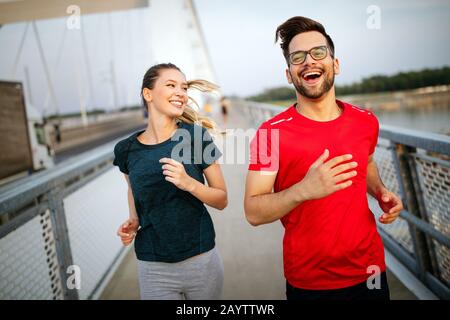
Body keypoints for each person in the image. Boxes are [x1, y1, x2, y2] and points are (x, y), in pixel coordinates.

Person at [244, 16, 403, 300]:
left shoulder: (366, 121)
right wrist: (304, 190)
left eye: (318, 52)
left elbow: (365, 161)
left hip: (370, 271)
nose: (309, 61)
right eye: (298, 57)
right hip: (310, 282)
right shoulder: (270, 133)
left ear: (336, 64)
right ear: (289, 74)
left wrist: (379, 190)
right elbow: (253, 211)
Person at [113, 63, 228, 300]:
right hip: (153, 265)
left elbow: (221, 199)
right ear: (148, 94)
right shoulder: (126, 150)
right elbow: (132, 189)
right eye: (171, 85)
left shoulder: (196, 136)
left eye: (184, 87)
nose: (181, 93)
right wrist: (134, 220)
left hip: (201, 261)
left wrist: (189, 183)